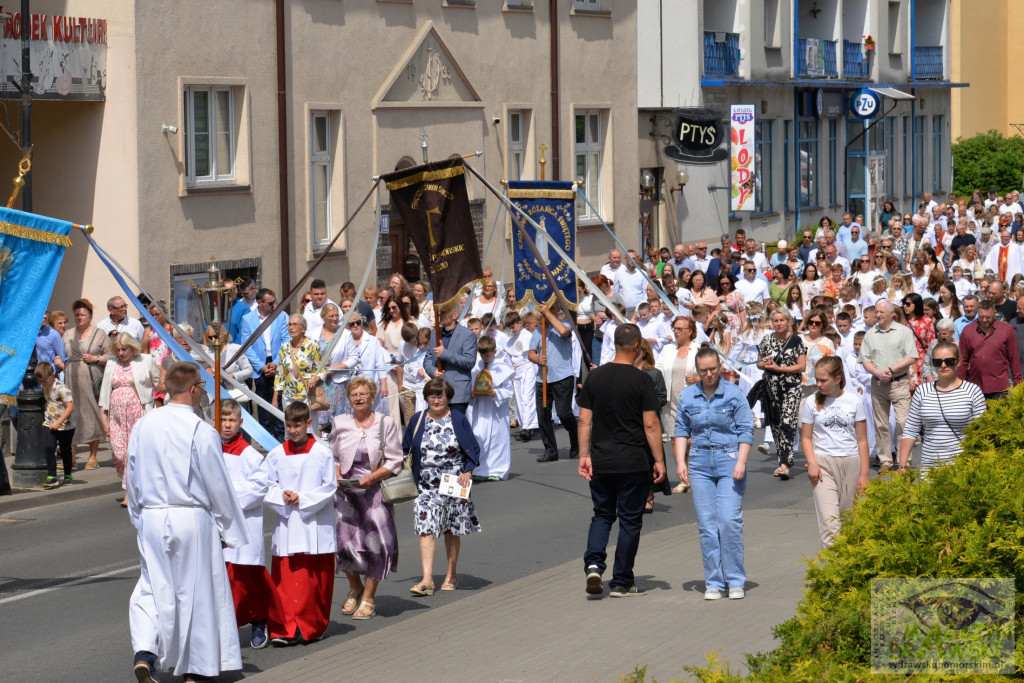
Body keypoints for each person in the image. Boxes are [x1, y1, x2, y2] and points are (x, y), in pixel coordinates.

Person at [126, 363, 249, 683]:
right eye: (202, 386)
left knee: (153, 587)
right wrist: (229, 529)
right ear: (193, 389)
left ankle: (145, 652)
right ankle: (195, 669)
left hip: (153, 516)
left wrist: (139, 518)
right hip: (190, 516)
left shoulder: (144, 424)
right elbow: (217, 484)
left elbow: (132, 476)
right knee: (195, 592)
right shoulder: (200, 430)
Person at [577, 324, 665, 597]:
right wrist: (660, 460)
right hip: (633, 459)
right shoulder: (642, 380)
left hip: (602, 458)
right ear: (637, 345)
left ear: (615, 344)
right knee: (629, 520)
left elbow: (584, 420)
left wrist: (584, 455)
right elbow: (650, 425)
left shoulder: (595, 377)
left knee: (602, 514)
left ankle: (593, 563)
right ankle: (621, 580)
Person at [674, 347, 753, 600]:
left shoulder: (734, 393)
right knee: (707, 526)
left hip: (729, 458)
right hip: (699, 462)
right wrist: (680, 462)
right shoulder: (688, 396)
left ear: (720, 367)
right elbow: (681, 431)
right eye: (703, 370)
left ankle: (735, 580)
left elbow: (745, 430)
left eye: (712, 369)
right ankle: (714, 582)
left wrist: (741, 462)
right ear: (696, 371)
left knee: (729, 521)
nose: (708, 374)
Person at [329, 378, 403, 622]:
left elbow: (395, 461)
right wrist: (338, 475)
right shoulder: (340, 422)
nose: (358, 398)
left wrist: (372, 477)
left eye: (363, 394)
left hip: (374, 489)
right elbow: (333, 456)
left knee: (377, 543)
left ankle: (369, 597)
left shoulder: (385, 423)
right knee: (344, 542)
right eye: (354, 395)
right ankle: (355, 586)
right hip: (346, 490)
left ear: (372, 398)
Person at [264, 402, 338, 646]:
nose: (292, 430)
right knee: (285, 580)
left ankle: (309, 626)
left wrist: (303, 498)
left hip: (313, 523)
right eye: (288, 425)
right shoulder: (275, 455)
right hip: (287, 522)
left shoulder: (322, 453)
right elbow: (267, 485)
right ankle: (284, 627)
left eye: (297, 425)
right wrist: (281, 496)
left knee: (311, 580)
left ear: (308, 423)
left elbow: (329, 486)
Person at [403, 378, 481, 597]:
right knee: (426, 527)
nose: (436, 400)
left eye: (441, 396)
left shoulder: (457, 418)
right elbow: (405, 448)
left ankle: (451, 574)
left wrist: (468, 471)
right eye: (432, 396)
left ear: (448, 398)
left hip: (454, 479)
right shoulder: (418, 419)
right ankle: (427, 579)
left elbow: (473, 449)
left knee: (451, 527)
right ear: (426, 398)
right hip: (425, 482)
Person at [218, 399, 275, 650]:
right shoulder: (211, 451)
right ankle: (225, 628)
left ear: (241, 423)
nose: (227, 425)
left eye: (232, 420)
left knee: (248, 579)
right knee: (224, 580)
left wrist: (229, 501)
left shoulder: (251, 455)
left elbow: (260, 487)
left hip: (244, 525)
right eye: (223, 420)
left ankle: (259, 620)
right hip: (218, 525)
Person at [799, 357, 869, 548]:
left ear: (837, 379)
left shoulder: (854, 401)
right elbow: (806, 437)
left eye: (823, 380)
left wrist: (864, 474)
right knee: (830, 524)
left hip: (851, 463)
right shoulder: (812, 402)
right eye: (817, 379)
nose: (818, 384)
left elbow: (862, 440)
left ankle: (848, 572)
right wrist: (812, 462)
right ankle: (832, 572)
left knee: (849, 522)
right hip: (823, 464)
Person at [899, 341, 986, 474]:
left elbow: (982, 432)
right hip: (930, 467)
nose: (943, 366)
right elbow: (911, 430)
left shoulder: (973, 391)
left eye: (949, 361)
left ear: (958, 362)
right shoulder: (923, 391)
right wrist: (903, 466)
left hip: (963, 467)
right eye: (937, 362)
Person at [99, 333, 162, 500]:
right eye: (118, 349)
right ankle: (134, 484)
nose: (121, 353)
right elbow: (105, 392)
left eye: (124, 349)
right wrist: (104, 420)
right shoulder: (112, 363)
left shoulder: (145, 360)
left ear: (133, 348)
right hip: (117, 416)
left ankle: (129, 492)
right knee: (119, 454)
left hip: (139, 413)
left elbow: (159, 384)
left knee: (133, 453)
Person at [859, 300, 918, 474]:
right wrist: (877, 373)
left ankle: (904, 462)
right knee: (881, 424)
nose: (878, 315)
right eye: (876, 312)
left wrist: (891, 370)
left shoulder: (904, 332)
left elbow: (911, 357)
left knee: (903, 422)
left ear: (892, 313)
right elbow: (865, 359)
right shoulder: (871, 334)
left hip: (899, 382)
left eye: (881, 312)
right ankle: (885, 460)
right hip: (878, 383)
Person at [756, 308, 807, 478]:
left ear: (788, 321)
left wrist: (781, 368)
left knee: (788, 421)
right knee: (776, 425)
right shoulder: (767, 339)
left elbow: (802, 366)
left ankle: (786, 462)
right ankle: (782, 460)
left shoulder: (796, 340)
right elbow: (759, 362)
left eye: (782, 320)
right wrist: (767, 363)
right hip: (772, 388)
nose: (778, 324)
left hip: (791, 387)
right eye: (775, 321)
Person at [529, 300, 579, 462]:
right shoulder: (538, 330)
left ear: (557, 309)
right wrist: (537, 359)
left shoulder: (565, 323)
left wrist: (549, 314)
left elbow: (564, 332)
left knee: (564, 413)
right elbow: (531, 353)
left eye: (552, 308)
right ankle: (551, 451)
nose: (548, 311)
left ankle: (576, 442)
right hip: (542, 379)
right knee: (543, 415)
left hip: (562, 376)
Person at [62, 299, 109, 470]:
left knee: (92, 415)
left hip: (91, 379)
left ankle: (93, 456)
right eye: (76, 315)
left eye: (83, 314)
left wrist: (95, 358)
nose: (79, 317)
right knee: (70, 415)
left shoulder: (100, 334)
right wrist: (58, 359)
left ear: (90, 316)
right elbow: (60, 353)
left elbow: (112, 356)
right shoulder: (67, 334)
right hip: (70, 378)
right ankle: (71, 457)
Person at [240, 288, 290, 440]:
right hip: (260, 364)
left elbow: (286, 341)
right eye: (270, 303)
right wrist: (261, 366)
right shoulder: (248, 319)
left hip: (278, 362)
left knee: (279, 398)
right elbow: (246, 345)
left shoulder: (280, 316)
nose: (274, 305)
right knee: (262, 400)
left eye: (275, 302)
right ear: (260, 303)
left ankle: (280, 433)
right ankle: (266, 435)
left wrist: (276, 363)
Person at [467, 335, 515, 480]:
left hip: (496, 410)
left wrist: (496, 392)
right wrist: (472, 394)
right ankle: (479, 470)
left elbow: (509, 390)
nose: (484, 358)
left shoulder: (502, 368)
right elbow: (471, 385)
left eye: (487, 355)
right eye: (482, 355)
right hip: (480, 409)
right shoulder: (476, 366)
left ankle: (497, 470)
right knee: (479, 436)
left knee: (497, 438)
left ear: (494, 351)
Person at [957, 298, 1023, 399]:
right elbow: (963, 361)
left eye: (988, 317)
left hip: (999, 387)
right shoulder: (968, 331)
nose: (984, 320)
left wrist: (1018, 384)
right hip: (975, 386)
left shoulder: (1007, 330)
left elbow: (1014, 358)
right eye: (981, 317)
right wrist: (958, 384)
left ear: (995, 312)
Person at [423, 303, 478, 416]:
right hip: (437, 391)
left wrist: (445, 354)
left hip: (457, 392)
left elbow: (469, 361)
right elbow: (427, 359)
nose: (440, 314)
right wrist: (432, 371)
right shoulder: (435, 334)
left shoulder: (467, 335)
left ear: (454, 315)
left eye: (443, 312)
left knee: (456, 427)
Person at [35, 362, 75, 490]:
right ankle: (52, 476)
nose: (43, 384)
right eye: (40, 381)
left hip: (65, 425)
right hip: (49, 422)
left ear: (53, 375)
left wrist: (59, 422)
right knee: (48, 447)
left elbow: (70, 407)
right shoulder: (44, 386)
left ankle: (68, 474)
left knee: (65, 450)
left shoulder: (61, 388)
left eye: (45, 380)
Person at [272, 315, 322, 411]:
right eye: (290, 324)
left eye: (295, 324)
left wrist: (315, 380)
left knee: (308, 425)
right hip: (288, 397)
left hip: (307, 395)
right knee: (290, 425)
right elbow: (279, 374)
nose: (291, 328)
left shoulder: (312, 345)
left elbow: (322, 370)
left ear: (303, 329)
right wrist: (275, 398)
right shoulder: (285, 347)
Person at [376, 295, 412, 420]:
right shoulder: (384, 324)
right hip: (389, 366)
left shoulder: (410, 322)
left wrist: (402, 364)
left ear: (400, 307)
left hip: (407, 366)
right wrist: (388, 363)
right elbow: (379, 345)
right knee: (392, 408)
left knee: (407, 406)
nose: (391, 311)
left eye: (394, 307)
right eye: (388, 308)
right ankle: (395, 437)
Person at [508, 311, 539, 442]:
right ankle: (523, 425)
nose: (512, 330)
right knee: (519, 400)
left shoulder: (527, 335)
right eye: (509, 327)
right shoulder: (510, 339)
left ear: (520, 323)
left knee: (527, 398)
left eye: (513, 326)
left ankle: (529, 426)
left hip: (527, 368)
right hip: (516, 371)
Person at [901, 293, 936, 384]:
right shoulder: (901, 321)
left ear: (916, 304)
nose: (905, 306)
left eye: (908, 304)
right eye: (904, 303)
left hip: (922, 363)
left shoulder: (927, 321)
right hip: (904, 363)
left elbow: (931, 345)